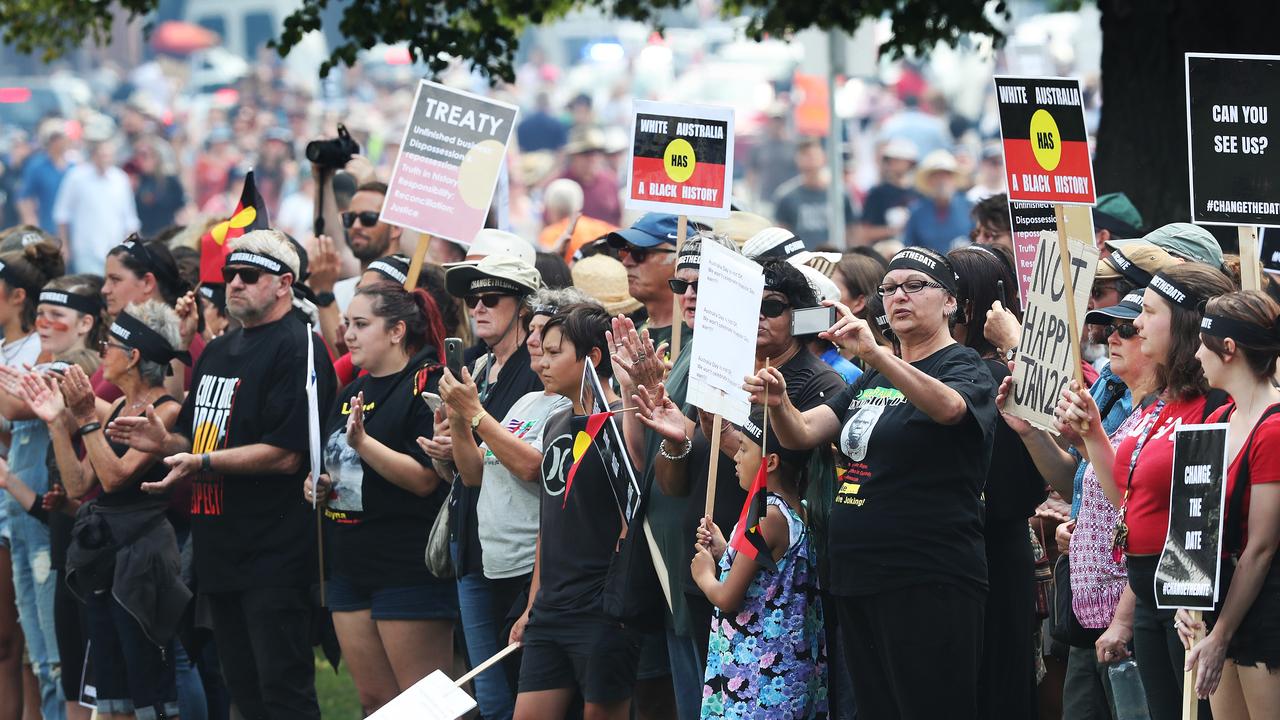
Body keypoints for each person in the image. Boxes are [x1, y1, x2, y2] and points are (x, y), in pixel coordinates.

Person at [745, 247, 997, 719]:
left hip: (927, 574)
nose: (899, 296)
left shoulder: (961, 364)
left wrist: (877, 354)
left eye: (915, 286)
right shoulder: (866, 382)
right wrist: (779, 402)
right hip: (858, 575)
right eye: (889, 289)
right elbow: (802, 433)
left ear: (950, 303)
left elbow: (950, 410)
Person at [107, 230, 337, 720]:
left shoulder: (300, 348)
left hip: (276, 553)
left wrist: (201, 462)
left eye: (248, 276)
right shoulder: (218, 349)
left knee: (283, 693)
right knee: (243, 693)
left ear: (283, 284)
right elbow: (197, 441)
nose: (234, 284)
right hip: (220, 553)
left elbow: (286, 454)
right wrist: (163, 444)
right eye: (229, 275)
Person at [1057, 264, 1234, 720]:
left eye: (1148, 313)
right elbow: (1131, 505)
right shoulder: (1162, 403)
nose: (1134, 323)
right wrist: (1093, 433)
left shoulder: (1215, 404)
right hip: (1147, 590)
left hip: (1190, 596)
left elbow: (1207, 513)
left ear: (1183, 326)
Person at [304, 282, 455, 715]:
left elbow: (427, 479)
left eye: (361, 324)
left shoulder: (425, 383)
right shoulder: (354, 387)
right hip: (350, 565)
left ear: (396, 331)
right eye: (348, 324)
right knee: (376, 702)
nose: (347, 334)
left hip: (404, 567)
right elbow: (337, 466)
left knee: (425, 707)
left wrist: (364, 444)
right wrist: (317, 485)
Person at [40, 302, 190, 720]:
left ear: (135, 355)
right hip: (108, 560)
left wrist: (87, 416)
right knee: (112, 692)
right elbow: (78, 485)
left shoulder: (166, 412)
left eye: (110, 343)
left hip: (142, 563)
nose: (101, 350)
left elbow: (116, 478)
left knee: (148, 690)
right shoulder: (122, 409)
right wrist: (57, 421)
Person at [422, 254, 544, 720]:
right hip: (473, 546)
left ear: (524, 307)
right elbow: (470, 475)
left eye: (491, 298)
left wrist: (472, 417)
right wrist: (449, 438)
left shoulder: (536, 370)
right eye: (472, 300)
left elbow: (531, 467)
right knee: (490, 697)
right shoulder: (473, 365)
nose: (478, 308)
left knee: (521, 694)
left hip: (521, 555)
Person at [511, 304, 643, 720]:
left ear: (593, 358)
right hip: (551, 609)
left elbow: (633, 513)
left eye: (554, 353)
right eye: (542, 352)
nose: (541, 364)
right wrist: (533, 605)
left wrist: (616, 604)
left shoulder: (623, 421)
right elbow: (548, 524)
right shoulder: (556, 421)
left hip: (601, 611)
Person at [949, 244, 1046, 718]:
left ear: (966, 305)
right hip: (967, 555)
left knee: (994, 685)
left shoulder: (991, 378)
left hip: (989, 554)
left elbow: (1013, 486)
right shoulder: (939, 373)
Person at [1172, 291, 1280, 717]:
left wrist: (1221, 636)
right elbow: (1195, 521)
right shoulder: (1217, 420)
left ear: (1229, 349)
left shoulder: (1273, 429)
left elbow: (1262, 547)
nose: (1197, 353)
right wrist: (1187, 598)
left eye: (1204, 342)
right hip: (1218, 605)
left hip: (1265, 606)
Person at [691, 406, 828, 720]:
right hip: (786, 672)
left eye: (743, 448)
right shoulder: (796, 509)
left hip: (759, 679)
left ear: (772, 462)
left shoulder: (767, 519)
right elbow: (763, 573)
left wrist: (705, 574)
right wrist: (724, 549)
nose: (736, 457)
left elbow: (727, 597)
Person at [0, 241, 65, 720]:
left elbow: (16, 409)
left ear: (17, 296)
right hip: (13, 498)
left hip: (29, 503)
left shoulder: (39, 351)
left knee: (27, 645)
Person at [52, 139, 140, 275]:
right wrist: (65, 245)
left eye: (109, 155)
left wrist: (129, 249)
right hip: (85, 249)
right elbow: (62, 214)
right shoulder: (76, 177)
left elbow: (130, 220)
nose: (105, 159)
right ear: (93, 155)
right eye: (102, 155)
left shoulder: (120, 179)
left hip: (115, 249)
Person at [772, 138, 856, 249]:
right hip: (803, 260)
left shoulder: (840, 193)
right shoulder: (786, 196)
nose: (810, 161)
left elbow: (852, 229)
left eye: (813, 156)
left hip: (835, 258)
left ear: (823, 157)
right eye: (805, 156)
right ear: (797, 160)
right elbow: (782, 234)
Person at [900, 150, 972, 253]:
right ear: (929, 182)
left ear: (954, 180)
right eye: (936, 176)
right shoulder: (916, 211)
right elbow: (908, 248)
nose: (942, 181)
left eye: (946, 175)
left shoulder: (969, 207)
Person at [537, 178, 617, 264]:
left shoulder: (549, 235)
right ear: (579, 204)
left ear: (550, 207)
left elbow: (546, 266)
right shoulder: (601, 228)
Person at [857, 138, 920, 245]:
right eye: (891, 160)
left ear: (910, 163)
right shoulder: (877, 193)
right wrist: (894, 230)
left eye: (899, 160)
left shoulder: (919, 193)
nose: (893, 164)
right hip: (885, 254)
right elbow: (865, 232)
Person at [16, 119, 72, 234]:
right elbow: (24, 198)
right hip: (47, 228)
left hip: (71, 229)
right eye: (57, 138)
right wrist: (32, 226)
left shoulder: (73, 167)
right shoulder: (37, 166)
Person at [131, 136, 186, 235]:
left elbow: (183, 207)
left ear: (156, 157)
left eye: (145, 156)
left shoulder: (170, 181)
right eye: (138, 156)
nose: (140, 160)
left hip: (167, 235)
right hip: (144, 237)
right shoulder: (136, 181)